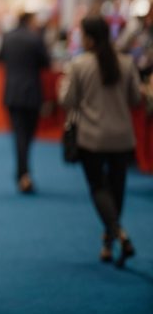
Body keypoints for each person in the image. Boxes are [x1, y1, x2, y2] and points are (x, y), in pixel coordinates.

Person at [59, 16, 149, 268]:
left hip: (92, 138)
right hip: (122, 137)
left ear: (88, 37)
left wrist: (61, 88)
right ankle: (109, 242)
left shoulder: (79, 65)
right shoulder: (127, 62)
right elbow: (134, 99)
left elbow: (67, 100)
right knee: (117, 190)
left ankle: (118, 233)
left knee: (99, 188)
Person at [0, 13, 50, 194]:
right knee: (28, 134)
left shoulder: (7, 37)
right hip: (32, 91)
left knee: (19, 134)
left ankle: (22, 173)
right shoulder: (35, 38)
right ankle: (24, 173)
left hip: (12, 91)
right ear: (29, 21)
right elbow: (46, 63)